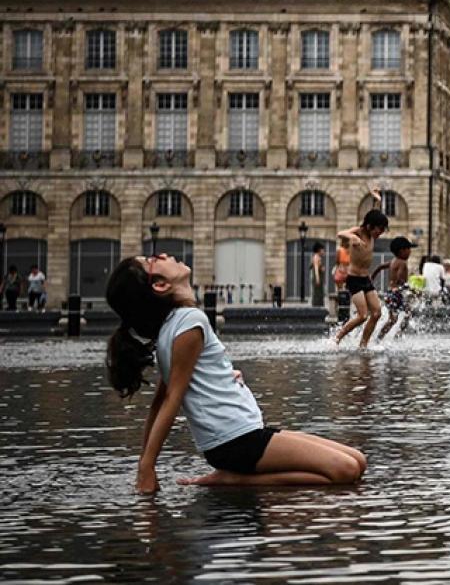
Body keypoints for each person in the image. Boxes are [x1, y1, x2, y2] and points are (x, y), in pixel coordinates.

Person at [105, 253, 366, 493]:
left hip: (242, 434)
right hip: (236, 441)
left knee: (358, 460)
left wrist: (144, 459)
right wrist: (147, 467)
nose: (163, 255)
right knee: (346, 471)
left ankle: (235, 475)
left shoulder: (174, 326)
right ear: (159, 284)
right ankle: (234, 479)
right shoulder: (188, 322)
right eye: (152, 259)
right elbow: (171, 399)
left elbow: (161, 400)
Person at [333, 207, 389, 348]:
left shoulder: (371, 233)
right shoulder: (358, 231)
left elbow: (374, 213)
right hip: (354, 279)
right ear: (370, 226)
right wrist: (352, 237)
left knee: (376, 313)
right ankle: (336, 338)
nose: (379, 234)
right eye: (379, 230)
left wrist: (377, 199)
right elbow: (340, 233)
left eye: (382, 231)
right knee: (362, 316)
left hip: (366, 279)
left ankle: (363, 345)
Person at [373, 236, 417, 341]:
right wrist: (411, 289)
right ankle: (397, 336)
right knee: (407, 314)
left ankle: (379, 338)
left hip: (390, 293)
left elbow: (379, 267)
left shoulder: (393, 261)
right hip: (397, 293)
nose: (410, 252)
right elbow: (399, 279)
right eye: (408, 249)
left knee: (393, 319)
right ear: (402, 251)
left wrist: (372, 278)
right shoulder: (402, 262)